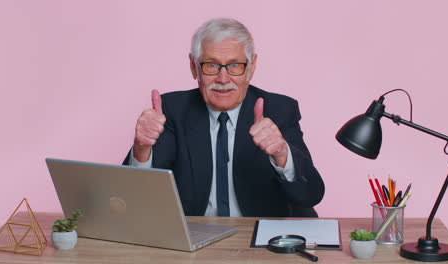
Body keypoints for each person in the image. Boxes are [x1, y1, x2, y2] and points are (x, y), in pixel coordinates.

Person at [123, 18, 324, 217]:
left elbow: (310, 195)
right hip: (195, 237)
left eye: (235, 65)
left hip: (260, 238)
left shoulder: (280, 110)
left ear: (251, 66)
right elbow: (133, 199)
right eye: (211, 65)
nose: (223, 78)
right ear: (194, 67)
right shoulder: (172, 111)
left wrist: (281, 153)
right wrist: (141, 148)